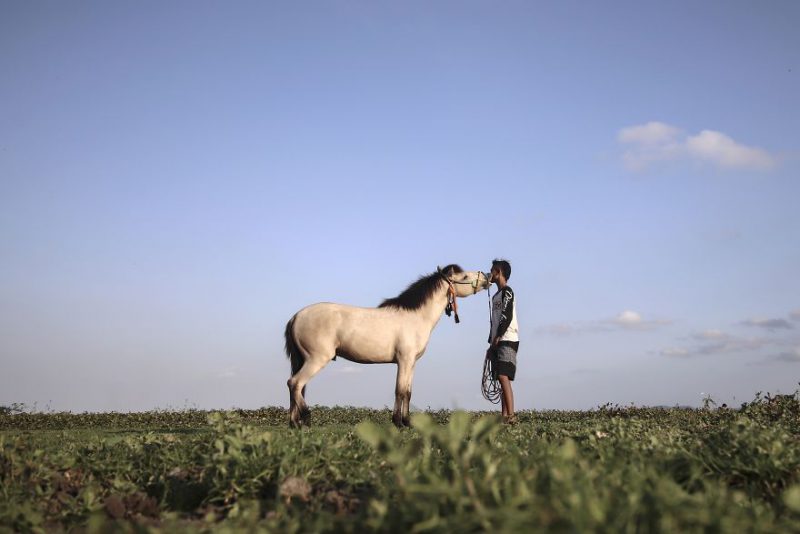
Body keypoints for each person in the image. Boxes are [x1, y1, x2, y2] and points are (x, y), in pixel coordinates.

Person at [487, 259, 519, 424]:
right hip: (497, 340)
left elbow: (506, 315)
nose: (490, 274)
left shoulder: (508, 292)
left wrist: (499, 335)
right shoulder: (495, 296)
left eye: (492, 270)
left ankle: (511, 415)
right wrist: (490, 341)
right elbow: (494, 319)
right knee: (500, 378)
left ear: (499, 272)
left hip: (508, 338)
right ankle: (504, 415)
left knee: (503, 376)